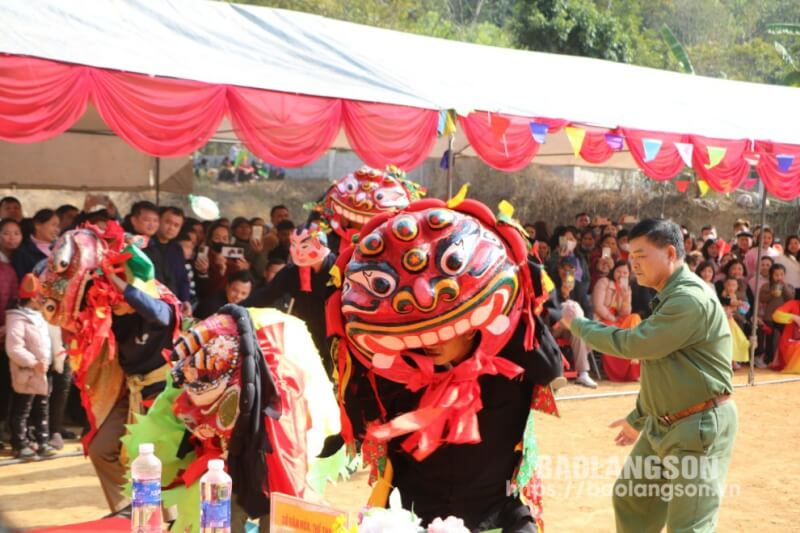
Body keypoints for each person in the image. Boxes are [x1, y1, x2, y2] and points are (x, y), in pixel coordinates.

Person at [561, 218, 737, 533]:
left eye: (641, 256)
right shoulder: (671, 294)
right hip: (665, 423)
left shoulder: (688, 298)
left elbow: (635, 344)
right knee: (633, 500)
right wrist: (638, 418)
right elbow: (663, 369)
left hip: (697, 426)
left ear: (670, 253)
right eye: (631, 256)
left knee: (689, 527)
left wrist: (579, 324)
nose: (633, 264)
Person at [5, 274, 57, 460]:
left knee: (42, 407)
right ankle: (19, 443)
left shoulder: (40, 317)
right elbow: (14, 348)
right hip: (27, 372)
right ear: (34, 298)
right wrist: (33, 362)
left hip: (41, 371)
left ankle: (42, 441)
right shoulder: (17, 318)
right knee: (22, 408)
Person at [545, 256, 597, 388]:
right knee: (571, 306)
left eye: (571, 269)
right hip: (555, 326)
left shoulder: (578, 286)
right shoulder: (552, 284)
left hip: (571, 328)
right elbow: (549, 309)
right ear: (559, 269)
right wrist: (564, 295)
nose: (567, 272)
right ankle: (586, 333)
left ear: (576, 271)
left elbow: (588, 308)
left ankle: (583, 373)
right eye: (564, 268)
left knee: (577, 332)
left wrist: (588, 324)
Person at [592, 261, 642, 382]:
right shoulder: (604, 282)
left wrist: (625, 299)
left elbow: (625, 314)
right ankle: (624, 366)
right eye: (619, 271)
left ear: (629, 275)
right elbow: (598, 306)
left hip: (618, 320)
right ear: (613, 271)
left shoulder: (627, 288)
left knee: (635, 317)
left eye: (625, 273)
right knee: (615, 331)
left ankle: (635, 354)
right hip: (603, 320)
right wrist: (613, 319)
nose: (621, 275)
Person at [146, 207, 192, 316]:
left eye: (176, 225)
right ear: (159, 221)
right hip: (149, 302)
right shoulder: (145, 244)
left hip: (172, 306)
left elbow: (182, 278)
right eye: (168, 222)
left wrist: (185, 300)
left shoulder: (177, 249)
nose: (171, 228)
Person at [755, 264, 794, 368]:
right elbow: (762, 298)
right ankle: (769, 359)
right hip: (769, 316)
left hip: (783, 316)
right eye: (776, 275)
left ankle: (783, 358)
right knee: (770, 339)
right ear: (771, 275)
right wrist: (771, 294)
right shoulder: (766, 286)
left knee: (784, 337)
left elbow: (790, 298)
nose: (779, 277)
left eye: (781, 274)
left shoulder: (788, 286)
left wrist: (784, 287)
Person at [12, 209, 59, 279]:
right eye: (53, 225)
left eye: (58, 226)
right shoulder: (23, 252)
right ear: (37, 225)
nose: (57, 230)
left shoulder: (61, 248)